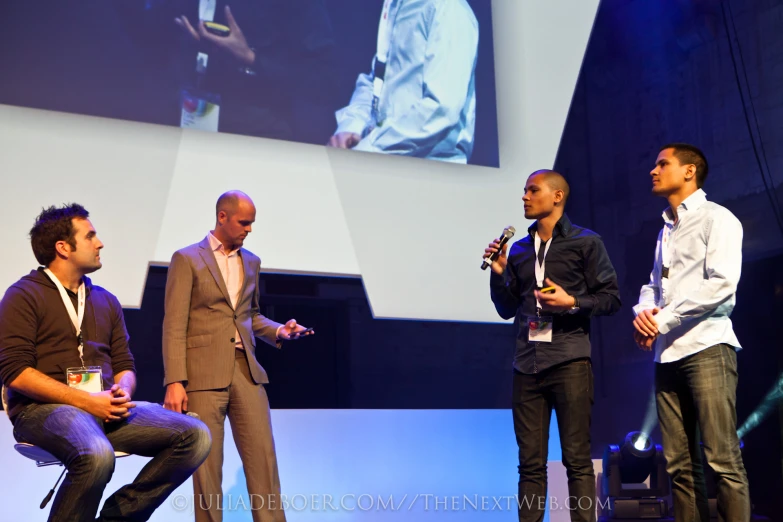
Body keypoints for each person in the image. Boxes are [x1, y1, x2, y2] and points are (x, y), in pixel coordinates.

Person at [0, 203, 211, 522]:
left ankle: (116, 517)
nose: (99, 243)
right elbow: (15, 373)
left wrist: (121, 391)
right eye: (90, 236)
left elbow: (125, 365)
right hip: (41, 411)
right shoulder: (23, 295)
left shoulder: (106, 301)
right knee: (97, 456)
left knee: (196, 435)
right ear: (63, 248)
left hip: (103, 409)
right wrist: (86, 401)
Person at [162, 190, 312, 522]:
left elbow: (249, 315)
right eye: (244, 222)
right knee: (206, 469)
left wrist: (278, 331)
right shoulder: (187, 259)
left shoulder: (252, 261)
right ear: (222, 217)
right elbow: (174, 322)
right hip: (202, 376)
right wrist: (175, 381)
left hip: (247, 371)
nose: (249, 229)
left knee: (264, 462)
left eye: (252, 223)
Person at [485, 170, 621, 522]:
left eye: (533, 190)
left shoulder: (586, 242)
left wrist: (573, 302)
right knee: (530, 464)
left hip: (569, 360)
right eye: (524, 190)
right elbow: (505, 309)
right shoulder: (517, 249)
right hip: (526, 365)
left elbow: (610, 298)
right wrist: (499, 273)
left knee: (576, 461)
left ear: (557, 196)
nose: (525, 197)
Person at [632, 143, 750, 522]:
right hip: (667, 355)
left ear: (689, 172)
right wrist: (645, 314)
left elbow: (722, 285)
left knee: (721, 459)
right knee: (678, 467)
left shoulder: (718, 219)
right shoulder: (666, 227)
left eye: (662, 163)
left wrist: (663, 320)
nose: (653, 170)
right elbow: (654, 284)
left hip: (707, 348)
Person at [328, 0, 478, 163]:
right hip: (382, 160)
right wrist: (352, 127)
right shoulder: (396, 5)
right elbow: (377, 80)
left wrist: (369, 147)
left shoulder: (449, 10)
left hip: (430, 170)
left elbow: (441, 110)